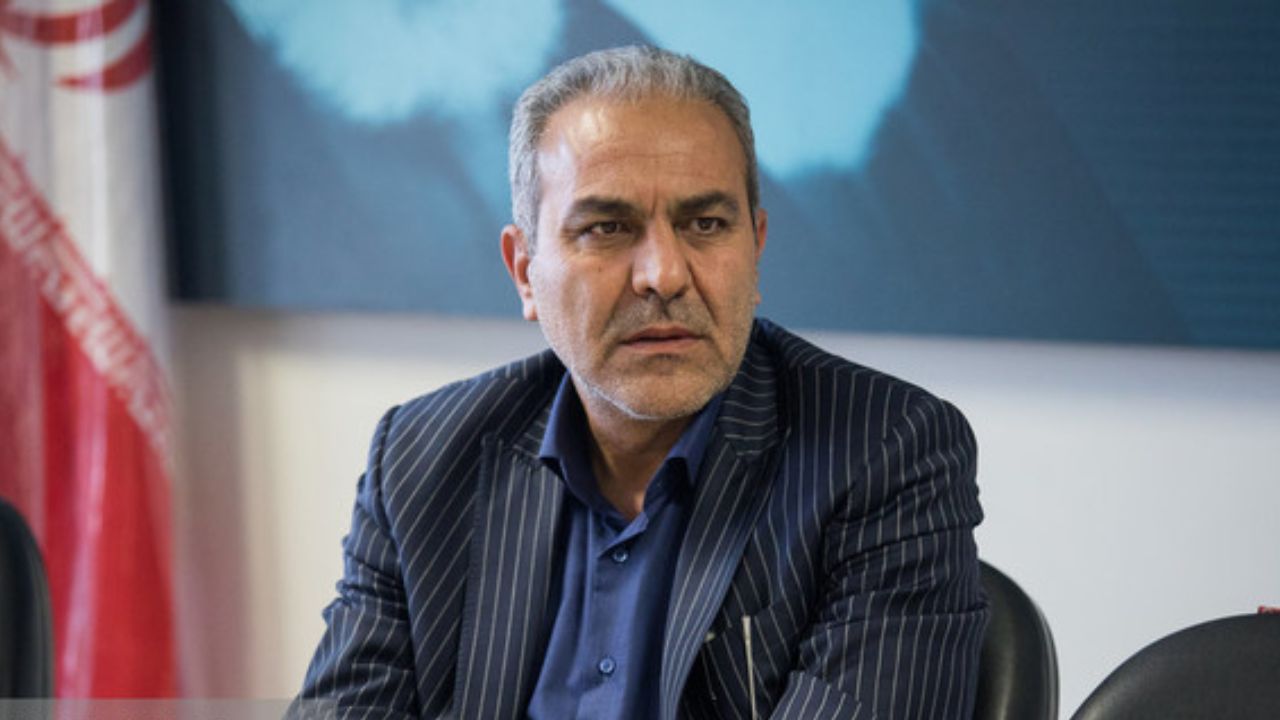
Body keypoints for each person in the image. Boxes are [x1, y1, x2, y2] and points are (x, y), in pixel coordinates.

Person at [299, 45, 987, 719]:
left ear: (756, 247)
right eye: (607, 228)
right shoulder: (420, 459)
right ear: (525, 271)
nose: (664, 274)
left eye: (706, 224)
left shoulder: (885, 451)